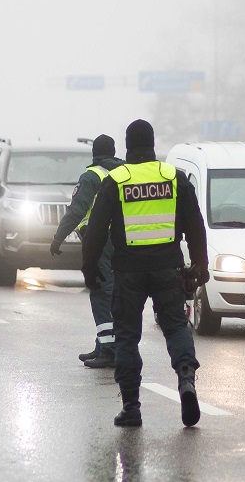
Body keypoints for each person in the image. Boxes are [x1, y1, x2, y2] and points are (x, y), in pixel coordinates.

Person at [81, 119, 208, 427]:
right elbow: (195, 224)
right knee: (177, 327)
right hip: (168, 269)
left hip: (128, 272)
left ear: (127, 146)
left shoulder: (117, 179)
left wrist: (89, 269)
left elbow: (96, 229)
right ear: (153, 144)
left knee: (126, 336)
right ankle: (186, 379)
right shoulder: (173, 177)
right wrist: (200, 264)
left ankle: (131, 407)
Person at [49, 134, 125, 367]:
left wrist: (58, 238)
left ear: (95, 154)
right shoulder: (124, 173)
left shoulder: (92, 176)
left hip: (100, 241)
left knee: (101, 292)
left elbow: (76, 211)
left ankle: (109, 351)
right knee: (116, 292)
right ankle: (104, 345)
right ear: (113, 152)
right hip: (124, 241)